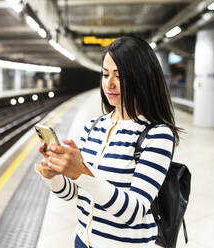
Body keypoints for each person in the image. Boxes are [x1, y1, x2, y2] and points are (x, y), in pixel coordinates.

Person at [36, 36, 181, 248]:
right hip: (82, 242)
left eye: (119, 76)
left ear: (141, 78)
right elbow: (75, 193)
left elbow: (135, 212)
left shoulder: (157, 135)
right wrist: (53, 176)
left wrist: (81, 172)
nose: (109, 84)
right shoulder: (93, 126)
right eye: (105, 74)